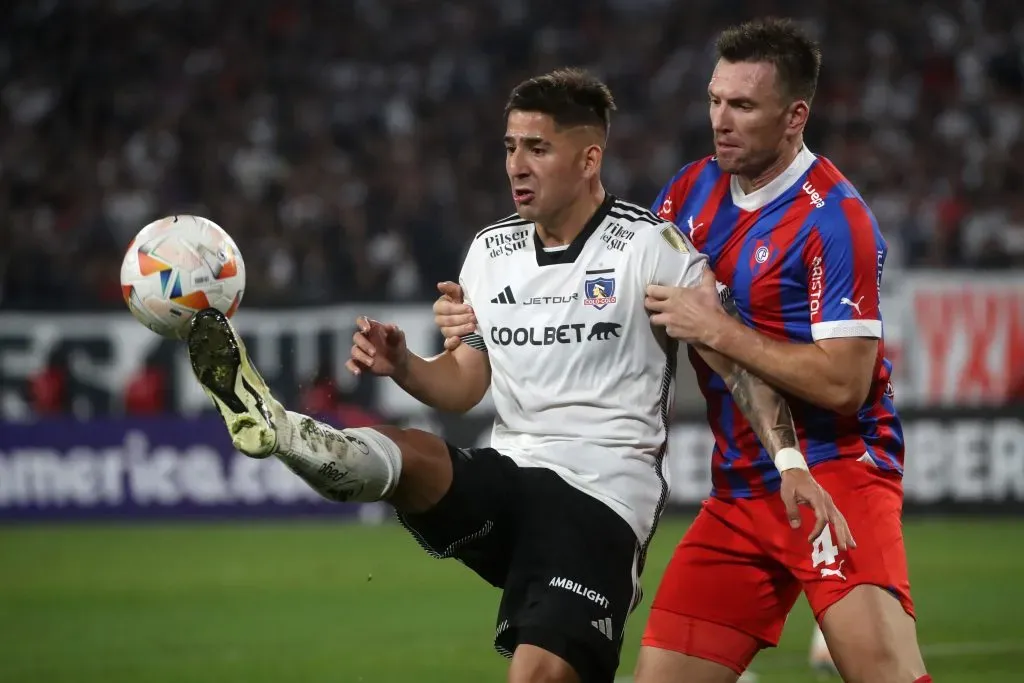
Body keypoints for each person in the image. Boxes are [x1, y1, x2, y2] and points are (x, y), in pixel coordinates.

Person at [186, 67, 848, 683]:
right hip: (513, 478)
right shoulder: (490, 250)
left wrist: (790, 459)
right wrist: (406, 366)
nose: (516, 166)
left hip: (601, 500)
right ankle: (284, 431)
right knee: (413, 453)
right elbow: (467, 383)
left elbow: (735, 363)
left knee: (538, 674)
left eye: (537, 148)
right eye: (510, 147)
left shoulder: (651, 247)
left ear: (589, 159)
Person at [433, 19, 930, 683]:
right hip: (741, 490)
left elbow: (845, 384)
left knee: (883, 674)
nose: (721, 120)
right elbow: (606, 296)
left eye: (743, 106)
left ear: (794, 116)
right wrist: (480, 318)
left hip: (836, 476)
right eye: (715, 100)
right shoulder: (689, 193)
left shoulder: (835, 220)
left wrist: (721, 331)